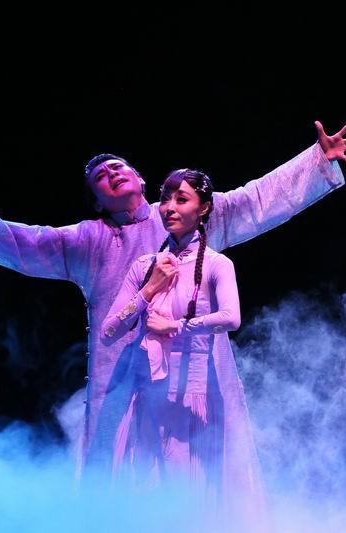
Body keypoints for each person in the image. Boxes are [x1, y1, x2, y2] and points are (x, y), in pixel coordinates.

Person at [0, 120, 346, 477]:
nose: (111, 174)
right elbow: (30, 243)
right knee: (125, 470)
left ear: (141, 179)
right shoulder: (88, 240)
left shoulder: (188, 214)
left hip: (192, 367)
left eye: (118, 167)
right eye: (100, 178)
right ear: (97, 201)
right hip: (125, 372)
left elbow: (254, 200)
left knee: (200, 466)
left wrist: (316, 161)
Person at [100, 169, 262, 517]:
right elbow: (108, 332)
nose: (169, 208)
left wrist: (175, 325)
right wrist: (149, 289)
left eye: (181, 199)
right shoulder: (145, 266)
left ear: (203, 208)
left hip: (194, 397)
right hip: (147, 395)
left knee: (191, 495)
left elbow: (231, 318)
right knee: (145, 497)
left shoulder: (217, 264)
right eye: (164, 199)